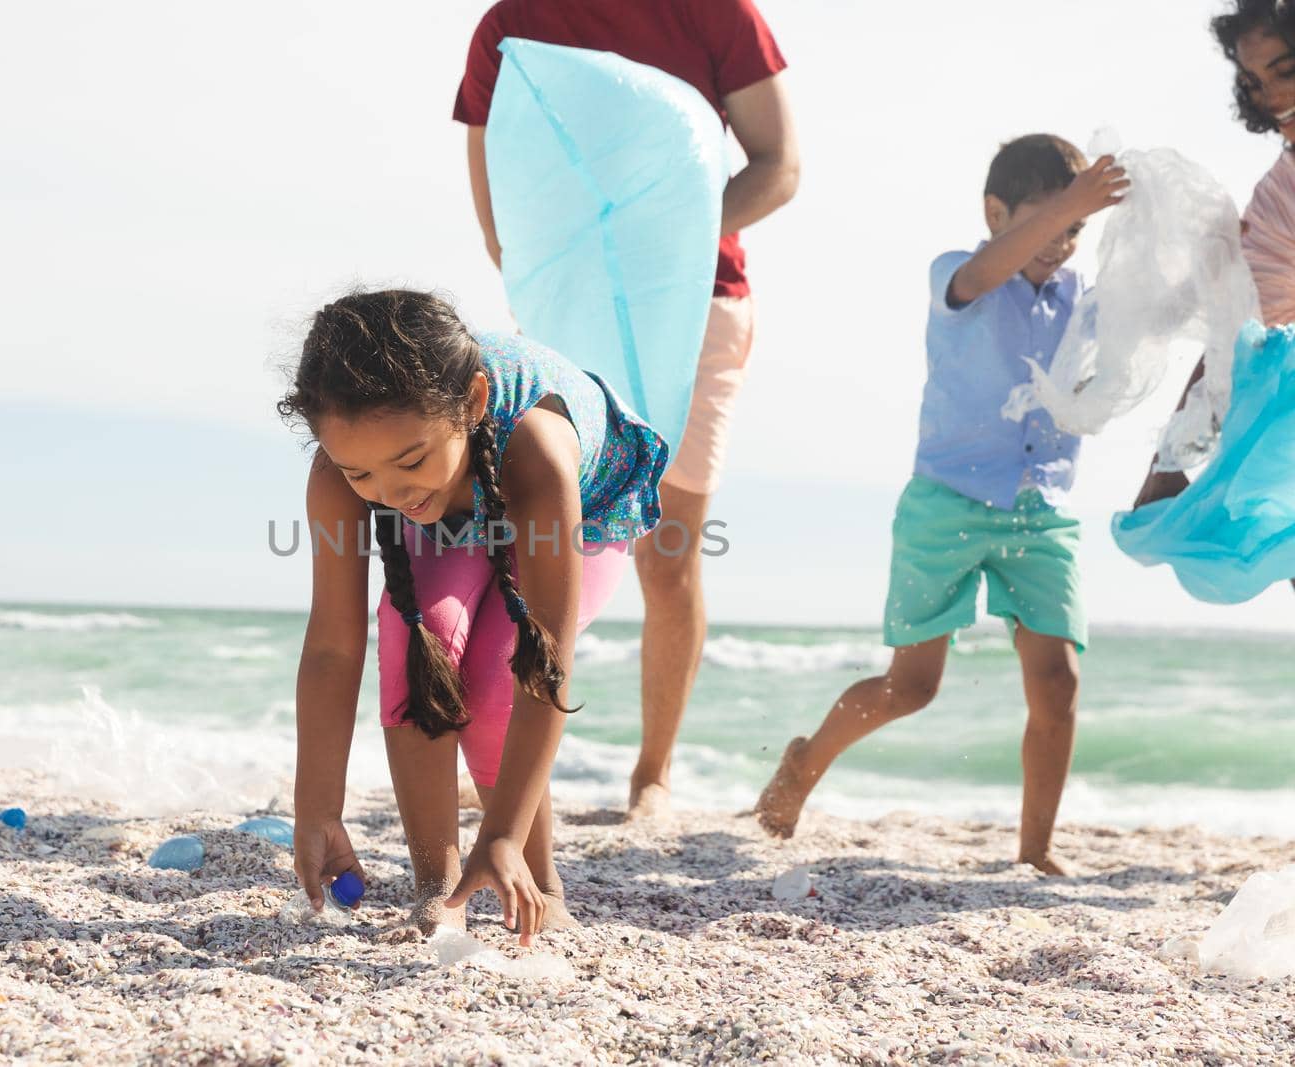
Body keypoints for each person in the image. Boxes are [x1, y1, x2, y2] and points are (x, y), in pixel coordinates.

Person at [452, 0, 801, 820]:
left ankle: (652, 773)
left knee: (669, 550)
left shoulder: (717, 12)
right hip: (567, 311)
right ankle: (507, 761)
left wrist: (659, 237)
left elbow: (779, 165)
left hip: (697, 306)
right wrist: (569, 278)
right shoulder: (510, 26)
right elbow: (501, 205)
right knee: (534, 537)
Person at [754, 137, 1129, 876]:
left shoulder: (1077, 300)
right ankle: (804, 762)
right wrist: (1070, 203)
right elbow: (982, 273)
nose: (1063, 240)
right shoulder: (958, 274)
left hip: (1040, 507)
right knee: (911, 687)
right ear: (997, 212)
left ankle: (1035, 848)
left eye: (1076, 229)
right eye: (1050, 219)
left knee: (1058, 679)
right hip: (946, 501)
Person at [280, 290, 667, 942]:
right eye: (361, 474)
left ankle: (541, 881)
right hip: (457, 492)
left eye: (409, 461)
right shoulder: (353, 471)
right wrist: (317, 807)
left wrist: (505, 834)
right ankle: (438, 889)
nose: (392, 493)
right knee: (417, 637)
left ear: (474, 402)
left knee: (494, 681)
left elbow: (547, 659)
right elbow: (332, 648)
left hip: (577, 506)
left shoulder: (537, 449)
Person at [1134, 0, 1295, 510]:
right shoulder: (1276, 195)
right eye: (1253, 81)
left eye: (1285, 70)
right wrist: (1168, 462)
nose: (1270, 94)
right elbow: (1240, 323)